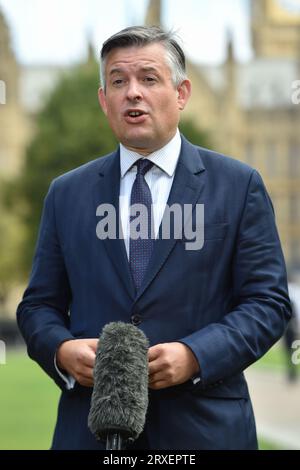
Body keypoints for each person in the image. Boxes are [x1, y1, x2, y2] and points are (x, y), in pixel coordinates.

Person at [17, 26, 292, 450]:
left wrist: (196, 355)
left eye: (148, 78)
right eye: (118, 81)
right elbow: (38, 306)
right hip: (92, 436)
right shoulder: (66, 194)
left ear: (181, 93)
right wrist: (61, 350)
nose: (132, 93)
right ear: (103, 99)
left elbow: (267, 302)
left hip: (204, 433)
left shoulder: (238, 187)